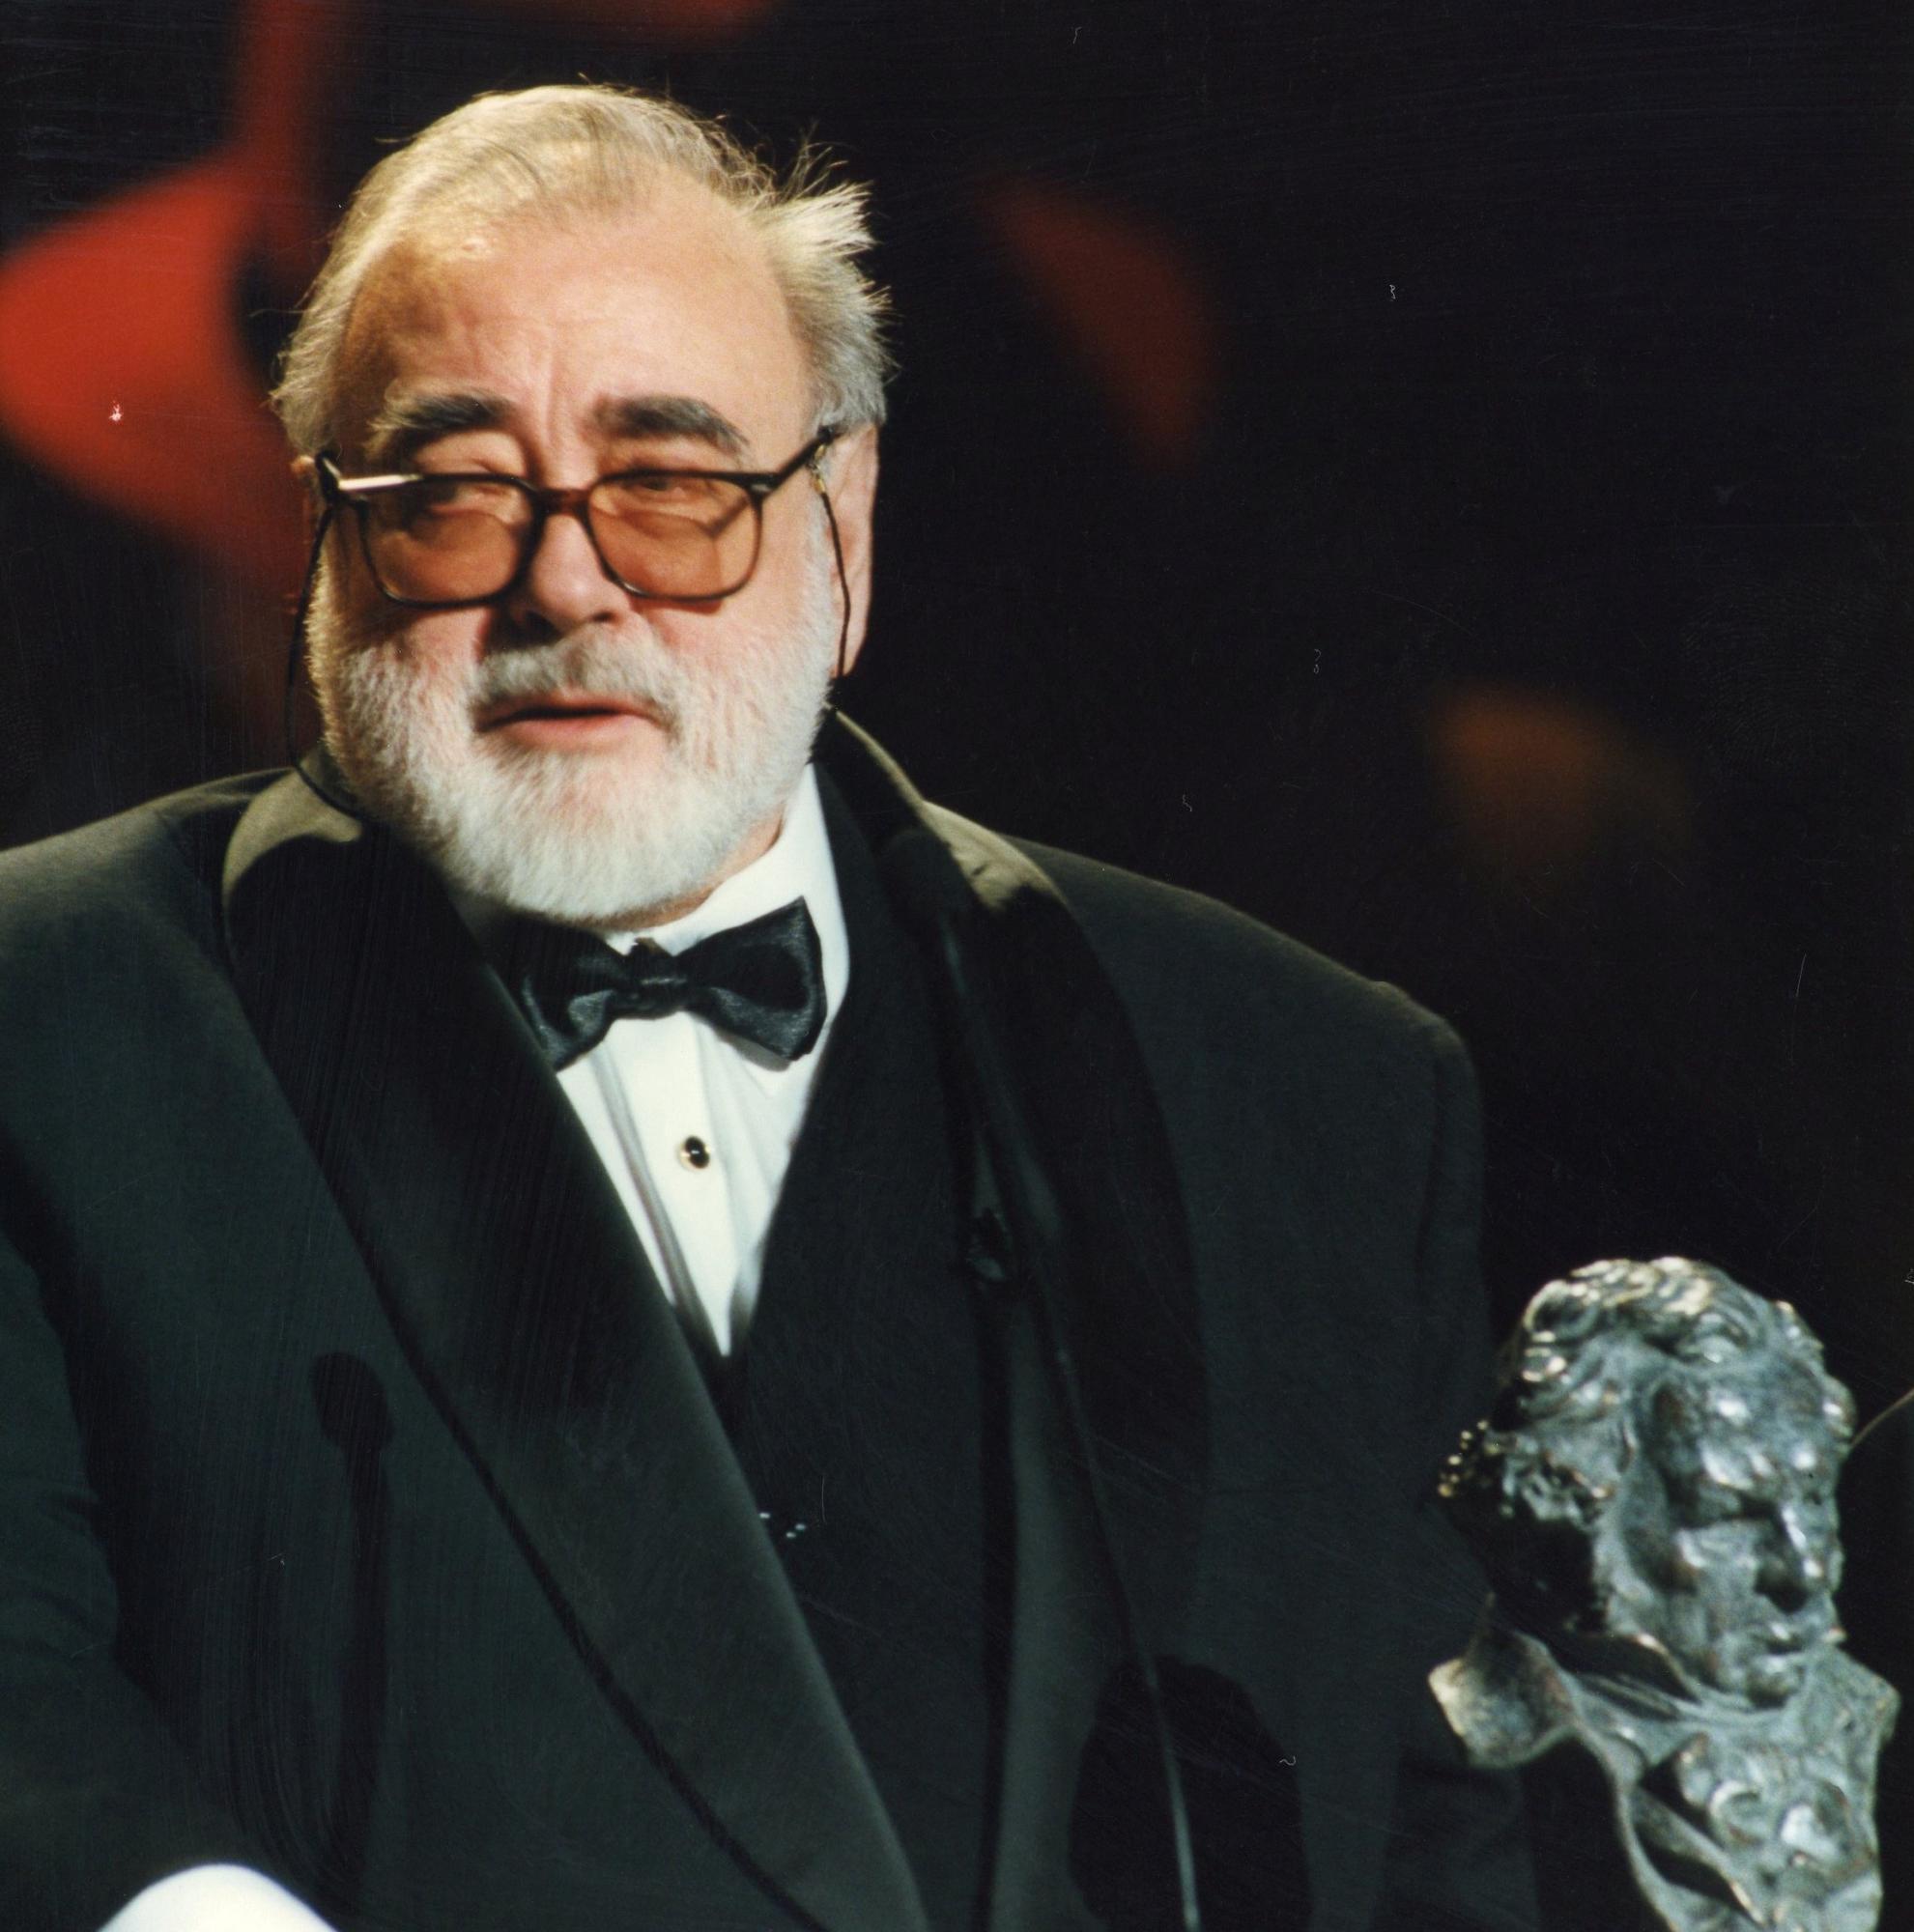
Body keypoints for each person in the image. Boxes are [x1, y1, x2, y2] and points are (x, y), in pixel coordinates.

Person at [0, 84, 1532, 1932]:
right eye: (454, 492)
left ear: (843, 526)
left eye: (669, 483)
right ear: (326, 543)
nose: (565, 581)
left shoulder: (1315, 1091)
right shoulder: (46, 1020)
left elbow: (1440, 1850)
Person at [1436, 1258, 1894, 1932]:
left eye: (1813, 1499)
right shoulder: (1478, 1766)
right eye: (1728, 1518)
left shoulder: (1863, 1716)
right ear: (1577, 1514)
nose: (1804, 1569)